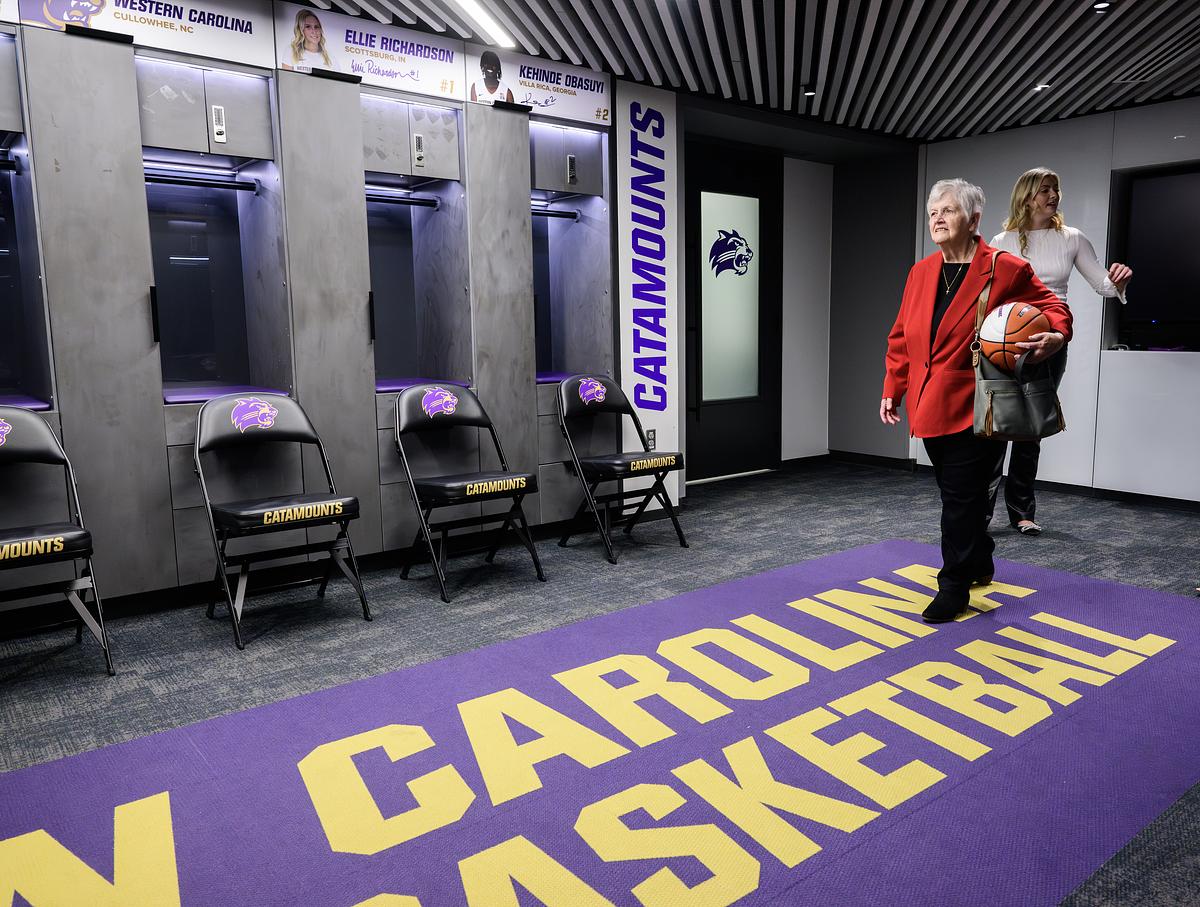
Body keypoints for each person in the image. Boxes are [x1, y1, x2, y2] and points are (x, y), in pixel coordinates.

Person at [881, 178, 1072, 623]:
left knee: (960, 499)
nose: (938, 219)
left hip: (979, 404)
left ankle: (953, 586)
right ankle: (981, 557)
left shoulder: (1004, 267)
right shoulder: (920, 273)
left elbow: (1053, 305)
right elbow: (901, 338)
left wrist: (1055, 335)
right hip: (928, 406)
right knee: (957, 493)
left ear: (974, 219)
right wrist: (894, 387)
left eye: (948, 210)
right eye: (933, 212)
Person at [987, 167, 1132, 535]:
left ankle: (1022, 512)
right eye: (1045, 190)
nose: (1053, 196)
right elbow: (987, 296)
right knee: (995, 428)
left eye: (1056, 189)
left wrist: (1117, 281)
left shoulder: (1072, 238)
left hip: (1050, 342)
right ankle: (980, 513)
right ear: (1026, 196)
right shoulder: (1001, 241)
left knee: (1031, 429)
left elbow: (1102, 284)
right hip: (1004, 344)